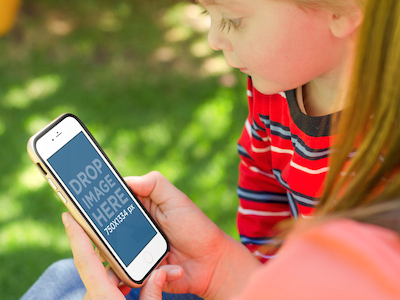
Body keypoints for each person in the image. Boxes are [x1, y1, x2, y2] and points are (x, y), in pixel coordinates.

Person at [20, 0, 364, 299]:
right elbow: (263, 194)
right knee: (62, 279)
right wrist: (226, 268)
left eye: (234, 20)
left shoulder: (382, 149)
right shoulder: (273, 89)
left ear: (344, 9)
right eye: (206, 11)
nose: (214, 39)